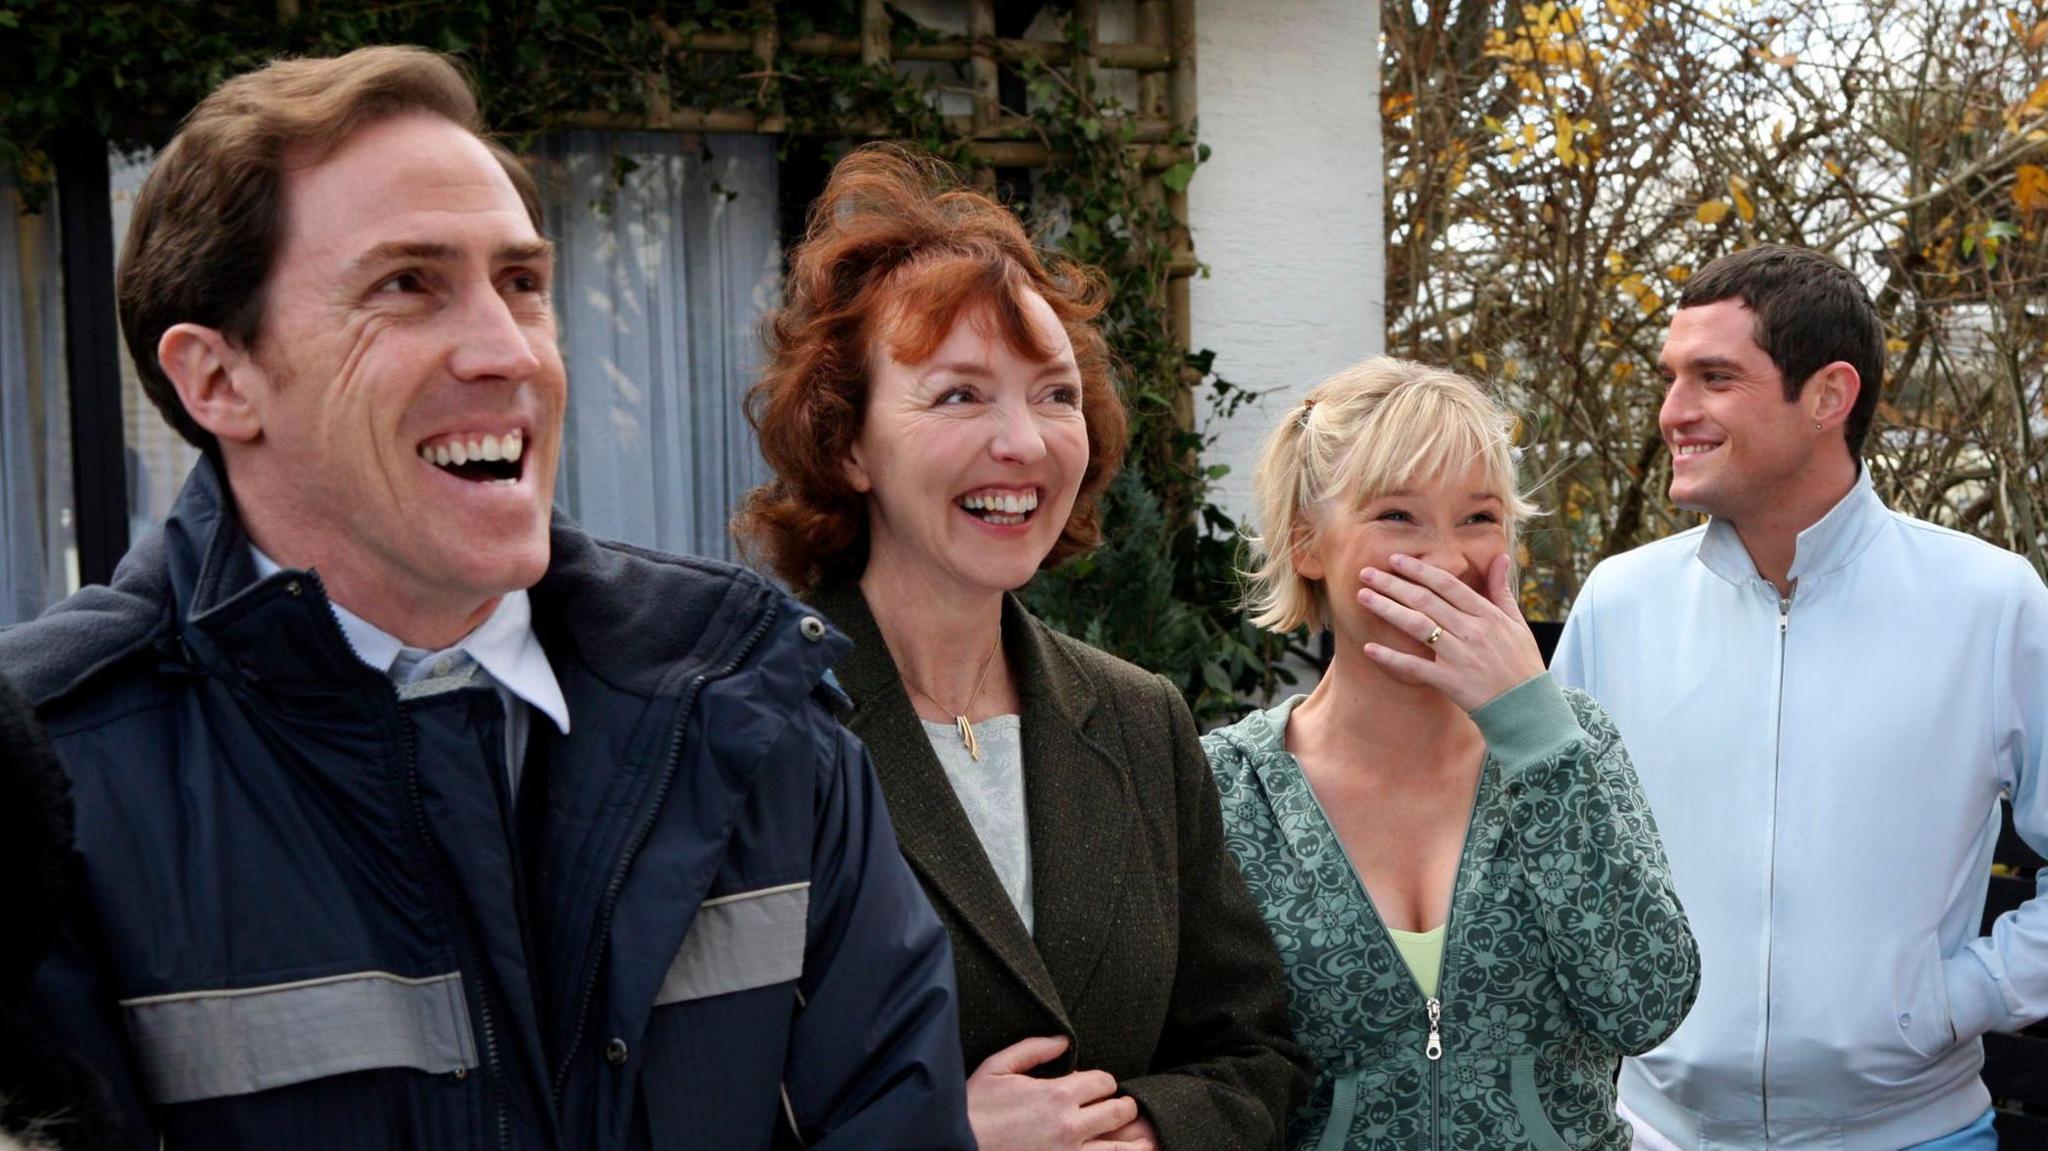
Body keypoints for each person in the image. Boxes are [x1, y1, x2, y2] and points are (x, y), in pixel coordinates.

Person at [2, 46, 971, 1150]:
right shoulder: (46, 787)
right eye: (406, 285)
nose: (508, 351)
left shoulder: (753, 712)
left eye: (522, 283)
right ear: (218, 379)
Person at [734, 144, 1310, 1151]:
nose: (1026, 441)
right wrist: (930, 1132)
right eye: (959, 395)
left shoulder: (1140, 719)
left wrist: (1144, 1134)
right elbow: (665, 1094)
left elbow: (1252, 1052)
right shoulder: (743, 730)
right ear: (847, 442)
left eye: (1052, 393)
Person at [1552, 243, 2048, 1150]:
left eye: (1714, 377)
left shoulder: (1992, 603)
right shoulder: (1618, 604)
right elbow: (1549, 858)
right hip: (1653, 1134)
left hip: (1915, 1134)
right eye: (1671, 378)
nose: (1674, 412)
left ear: (1829, 397)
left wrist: (1952, 1000)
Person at [1204, 357, 1700, 1149]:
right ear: (1306, 543)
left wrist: (1533, 732)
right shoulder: (1223, 786)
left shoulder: (1573, 740)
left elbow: (1646, 1005)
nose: (1445, 560)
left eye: (1478, 517)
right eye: (1397, 516)